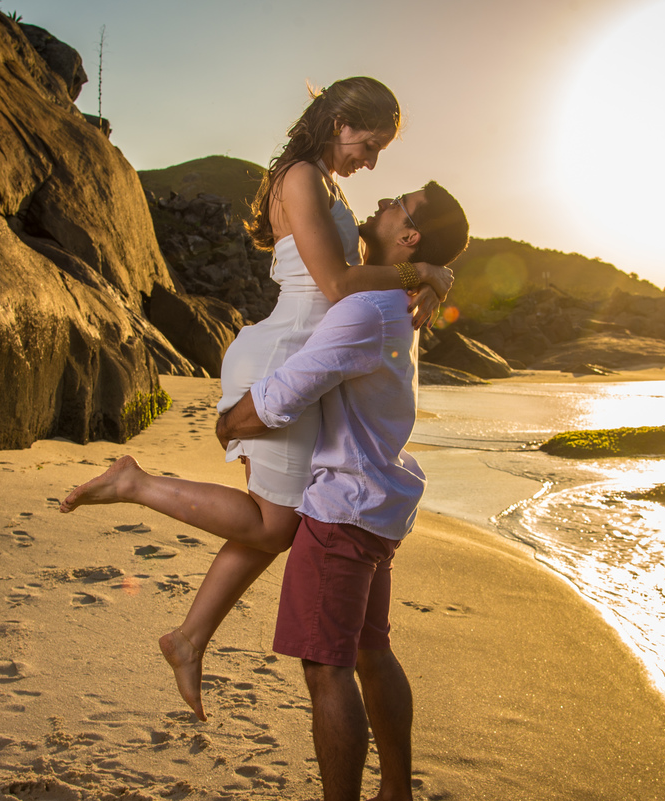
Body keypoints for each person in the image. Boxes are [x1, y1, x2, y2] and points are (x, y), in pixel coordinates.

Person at [58, 76, 462, 718]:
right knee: (277, 523)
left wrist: (433, 277)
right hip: (284, 357)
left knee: (276, 519)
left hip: (302, 356)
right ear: (341, 124)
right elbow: (337, 283)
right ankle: (135, 486)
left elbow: (376, 266)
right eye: (371, 144)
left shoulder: (323, 183)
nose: (372, 161)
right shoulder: (301, 176)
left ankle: (189, 640)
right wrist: (425, 272)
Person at [214, 200, 467, 797]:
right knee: (369, 650)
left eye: (397, 205)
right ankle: (396, 792)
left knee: (327, 667)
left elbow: (291, 388)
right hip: (377, 504)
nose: (380, 203)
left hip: (341, 513)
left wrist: (232, 422)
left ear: (408, 235)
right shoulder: (397, 301)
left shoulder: (367, 307)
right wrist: (432, 275)